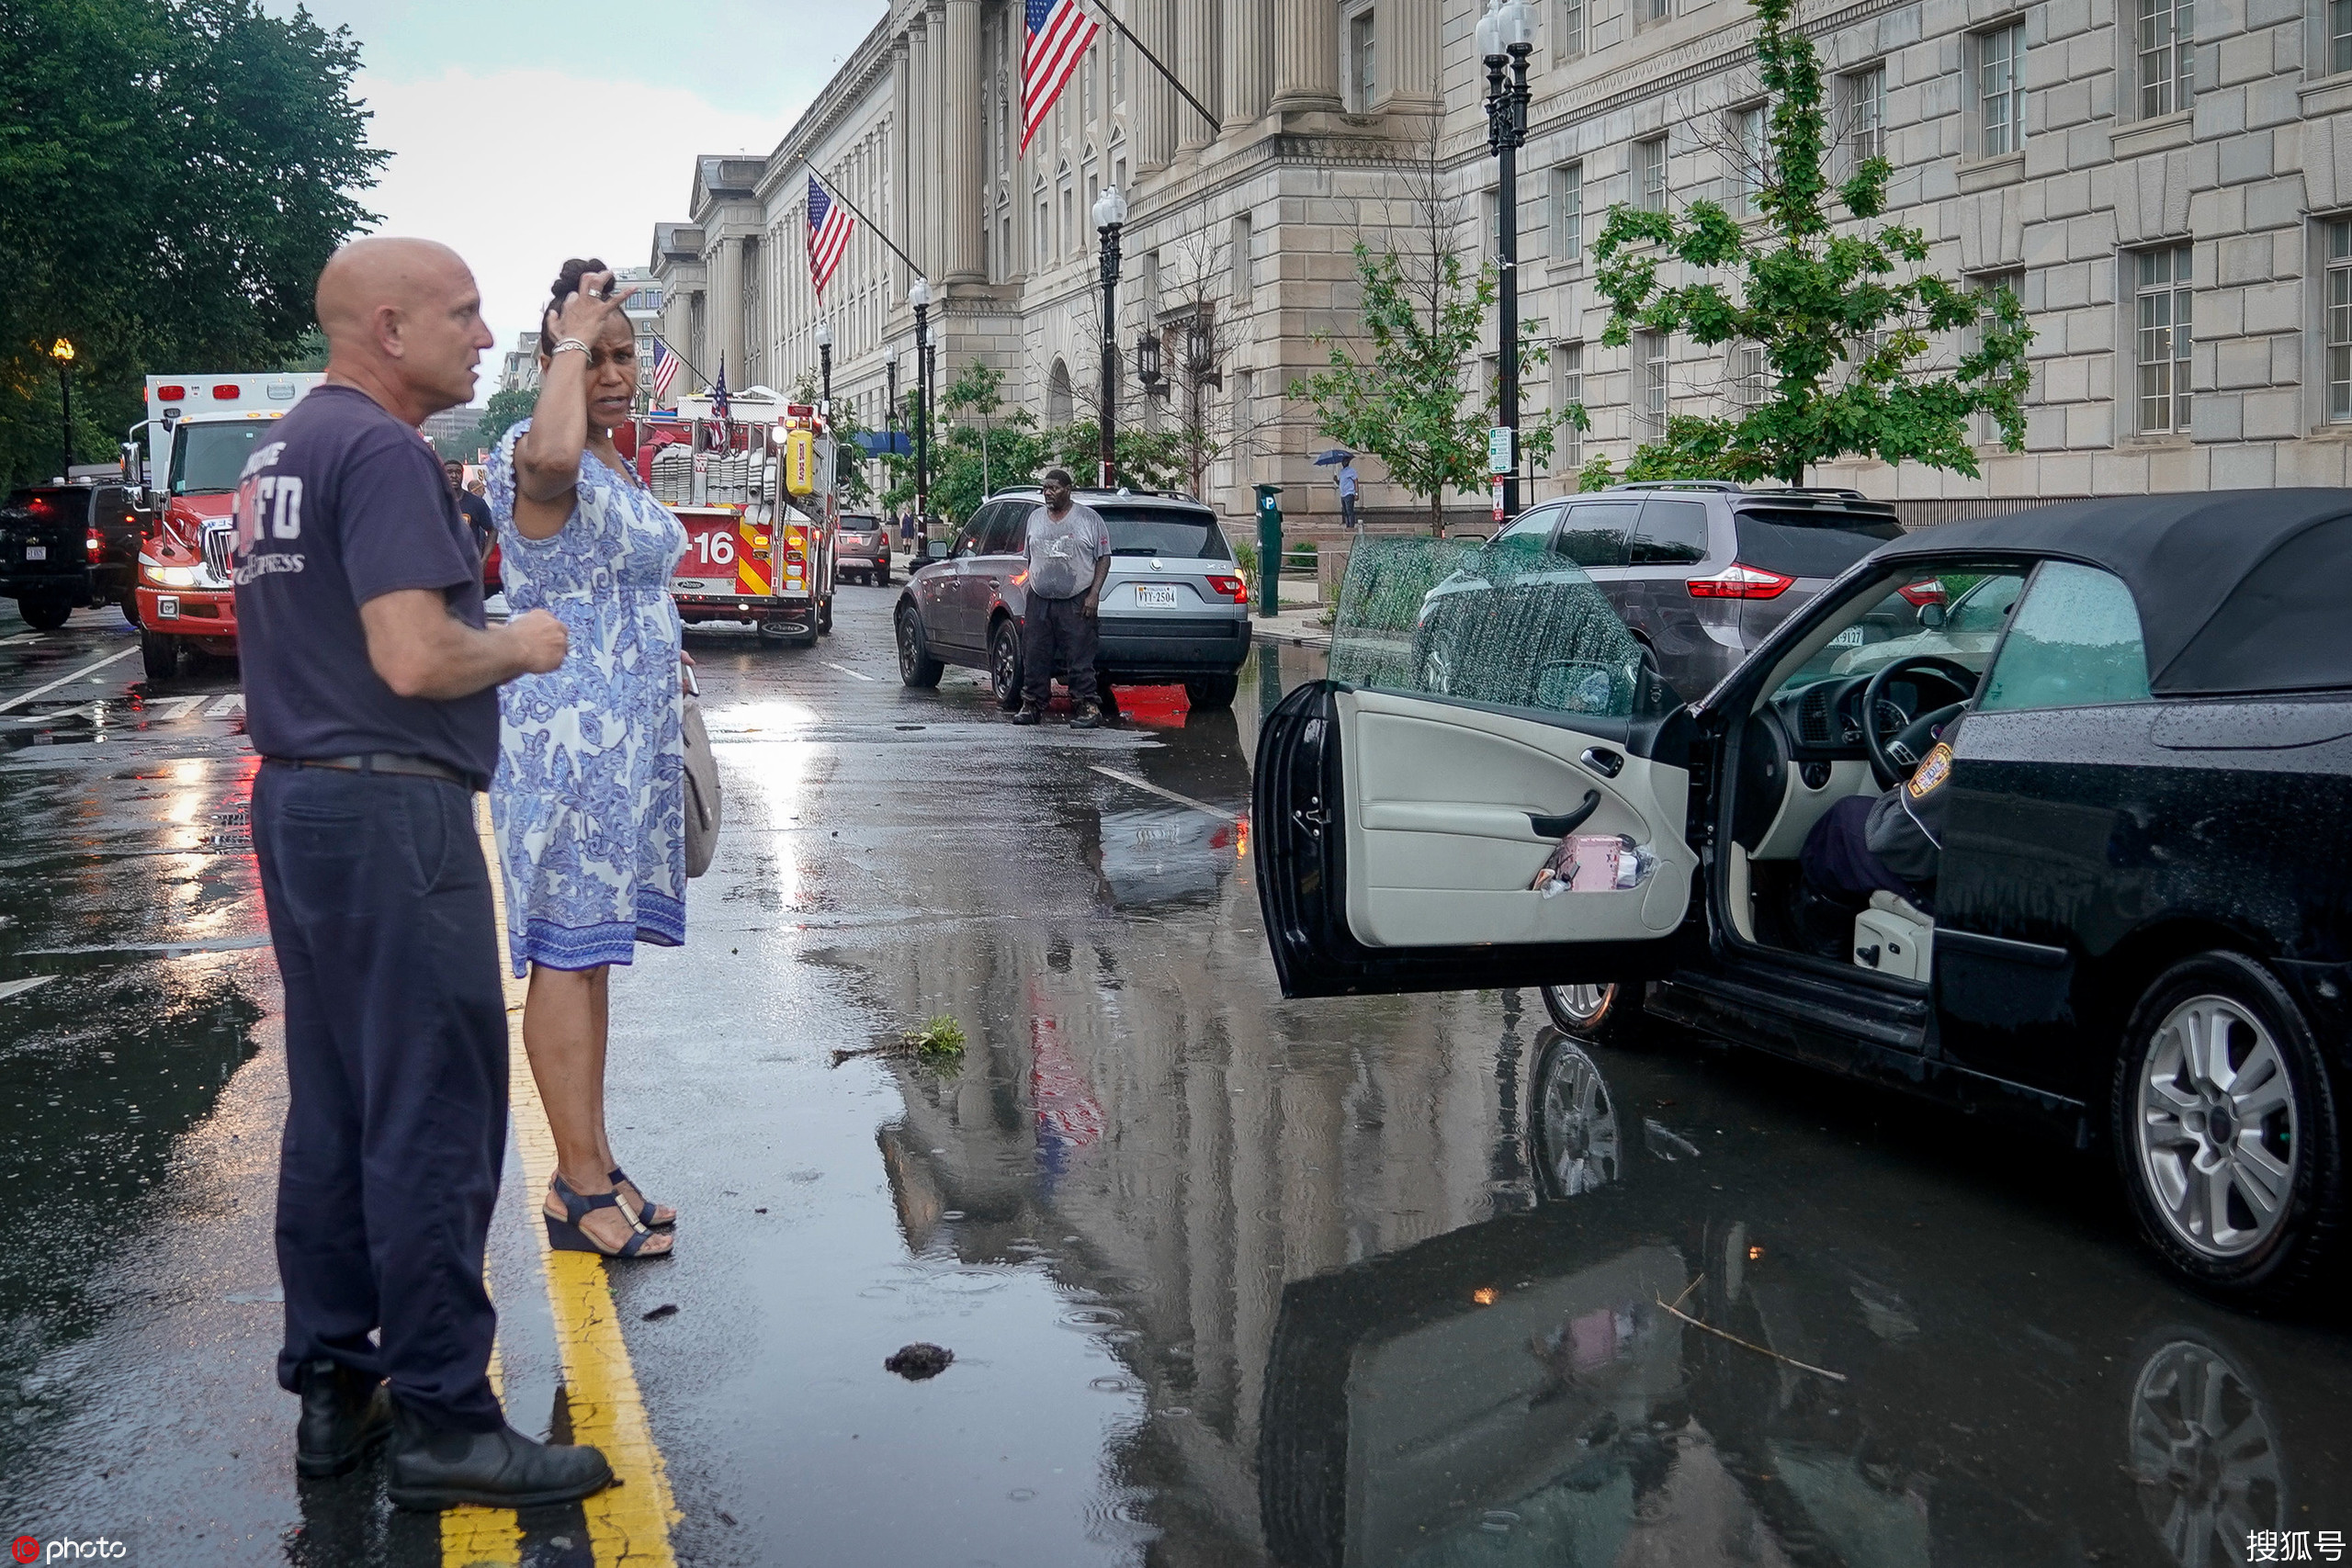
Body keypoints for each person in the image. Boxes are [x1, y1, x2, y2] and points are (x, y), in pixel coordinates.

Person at [234, 236, 611, 1510]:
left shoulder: (282, 449)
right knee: (434, 1114)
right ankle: (449, 1414)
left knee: (337, 1106)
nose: (479, 328)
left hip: (301, 806)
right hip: (393, 815)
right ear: (385, 328)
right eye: (460, 312)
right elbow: (411, 655)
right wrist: (519, 641)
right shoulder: (382, 451)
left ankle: (337, 1391)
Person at [488, 258, 688, 1262]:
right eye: (592, 356)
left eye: (624, 354)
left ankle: (598, 1160)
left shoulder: (617, 462)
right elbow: (553, 465)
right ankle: (573, 1189)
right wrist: (567, 340)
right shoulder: (531, 454)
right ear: (553, 359)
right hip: (568, 746)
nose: (614, 372)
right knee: (564, 956)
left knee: (592, 955)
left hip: (625, 749)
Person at [1794, 715, 1962, 948]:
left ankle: (1813, 948)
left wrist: (1901, 794)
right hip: (2017, 892)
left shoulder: (1977, 728)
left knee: (1843, 824)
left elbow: (1898, 838)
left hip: (1963, 894)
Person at [1014, 468, 1113, 729]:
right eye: (1045, 487)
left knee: (1080, 656)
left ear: (1068, 490)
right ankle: (1032, 705)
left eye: (1054, 488)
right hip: (1040, 599)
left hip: (1077, 599)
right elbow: (1030, 558)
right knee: (1034, 653)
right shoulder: (1035, 519)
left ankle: (1086, 707)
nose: (1048, 492)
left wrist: (1094, 594)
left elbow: (1104, 558)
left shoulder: (1088, 519)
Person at [446, 458, 493, 564]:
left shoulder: (476, 503)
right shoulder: (436, 502)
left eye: (458, 472)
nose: (454, 475)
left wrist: (484, 560)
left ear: (462, 475)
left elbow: (493, 529)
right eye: (449, 472)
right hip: (444, 569)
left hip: (470, 566)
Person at [1336, 453, 1360, 530]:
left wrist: (1356, 493)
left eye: (1345, 461)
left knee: (1350, 511)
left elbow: (1355, 481)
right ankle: (1347, 525)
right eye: (1343, 461)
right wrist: (1336, 480)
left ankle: (1351, 526)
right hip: (1343, 494)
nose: (1344, 463)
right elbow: (1341, 483)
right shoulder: (1342, 471)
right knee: (1345, 512)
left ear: (1348, 462)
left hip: (1349, 493)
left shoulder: (1351, 470)